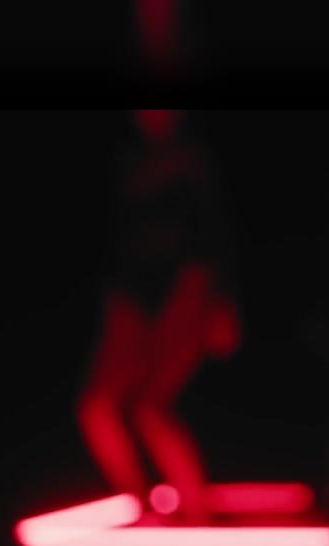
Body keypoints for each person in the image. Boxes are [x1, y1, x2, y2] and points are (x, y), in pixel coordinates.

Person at [75, 109, 240, 525]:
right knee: (98, 406)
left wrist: (221, 301)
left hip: (186, 283)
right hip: (130, 289)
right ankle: (136, 502)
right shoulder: (124, 160)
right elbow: (113, 234)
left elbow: (214, 229)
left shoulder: (193, 160)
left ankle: (196, 513)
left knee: (153, 406)